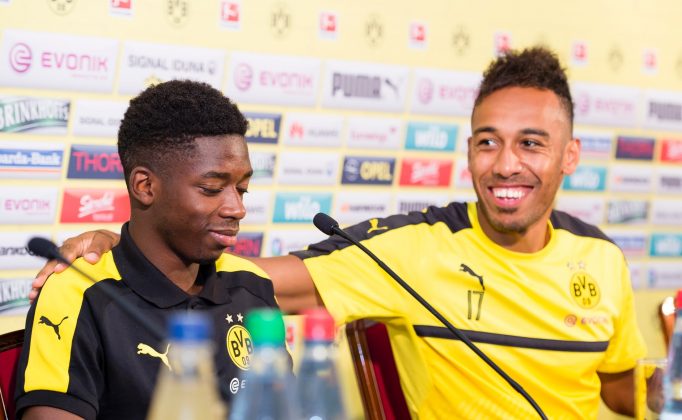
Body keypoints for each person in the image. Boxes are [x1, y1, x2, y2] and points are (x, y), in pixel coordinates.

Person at [30, 48, 646, 418]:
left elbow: (624, 390)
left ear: (570, 156)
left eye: (531, 143)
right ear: (468, 151)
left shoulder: (602, 257)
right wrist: (117, 244)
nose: (506, 164)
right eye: (488, 142)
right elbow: (216, 274)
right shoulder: (413, 248)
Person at [16, 80, 283, 420]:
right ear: (145, 186)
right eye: (212, 188)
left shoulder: (251, 284)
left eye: (242, 189)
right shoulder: (78, 293)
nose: (237, 208)